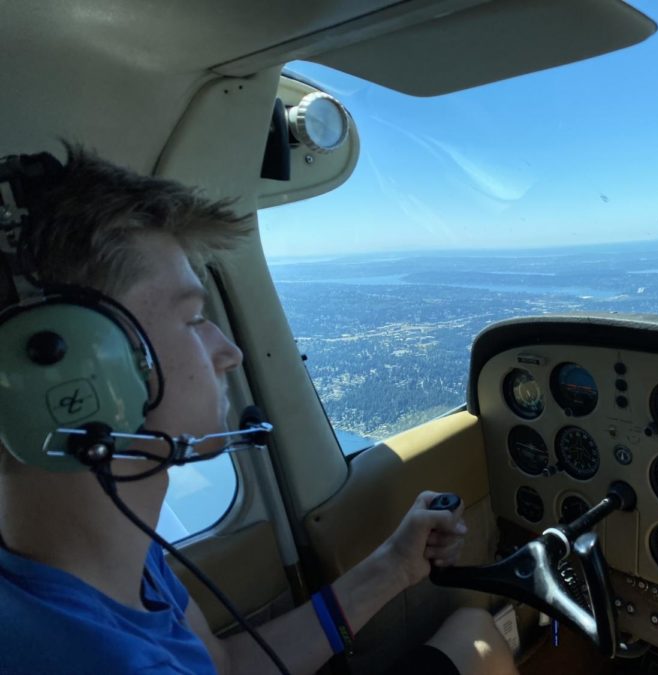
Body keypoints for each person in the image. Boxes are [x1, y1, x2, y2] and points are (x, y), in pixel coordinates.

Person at [0, 146, 518, 675]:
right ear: (72, 374)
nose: (230, 351)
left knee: (471, 631)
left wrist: (394, 567)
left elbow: (224, 664)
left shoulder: (113, 554)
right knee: (481, 642)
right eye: (195, 318)